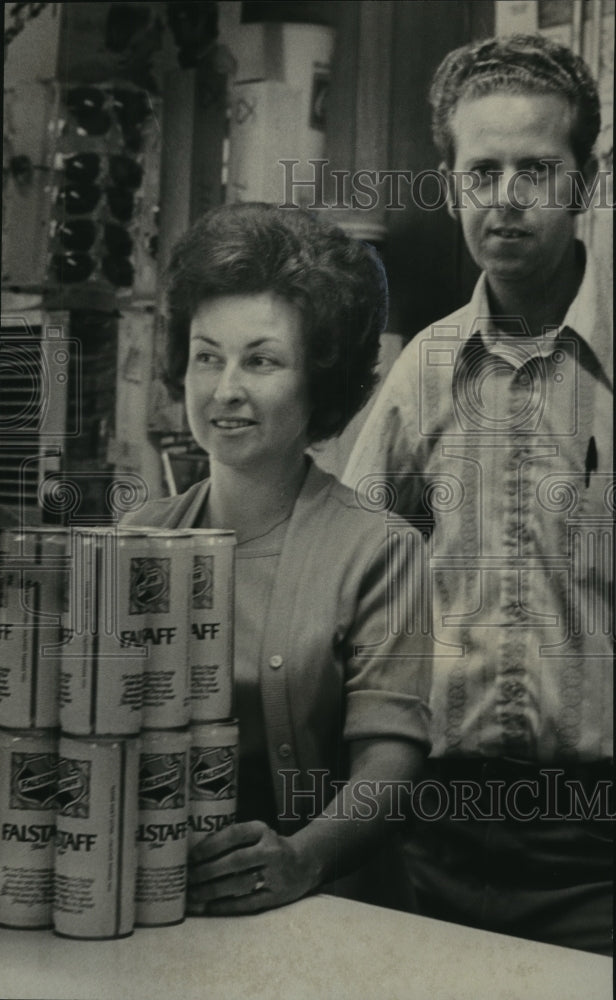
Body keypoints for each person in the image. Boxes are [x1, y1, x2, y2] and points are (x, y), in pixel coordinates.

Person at [343, 34, 613, 954]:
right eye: (481, 170)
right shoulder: (422, 373)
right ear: (451, 182)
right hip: (432, 840)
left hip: (598, 857)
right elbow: (350, 581)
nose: (504, 199)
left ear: (585, 180)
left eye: (535, 169)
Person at [123, 202, 431, 914]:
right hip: (167, 909)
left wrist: (301, 860)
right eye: (207, 357)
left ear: (319, 378)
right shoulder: (137, 538)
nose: (226, 389)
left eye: (261, 360)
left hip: (326, 911)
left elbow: (392, 764)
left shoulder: (380, 550)